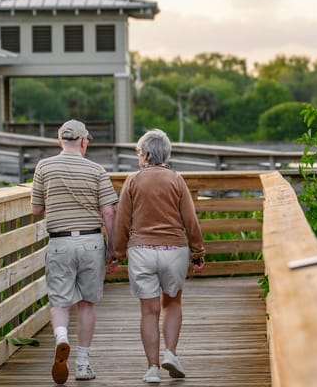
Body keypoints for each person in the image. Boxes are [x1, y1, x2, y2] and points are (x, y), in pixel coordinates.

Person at [113, 129, 206, 384]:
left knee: (149, 311)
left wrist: (117, 253)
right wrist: (198, 251)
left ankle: (153, 368)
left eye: (138, 153)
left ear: (145, 155)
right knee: (172, 303)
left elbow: (122, 221)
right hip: (174, 250)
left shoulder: (132, 181)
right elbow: (190, 219)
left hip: (141, 251)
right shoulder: (176, 179)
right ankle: (171, 354)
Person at [31, 119, 119, 385]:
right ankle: (82, 364)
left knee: (59, 301)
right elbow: (109, 211)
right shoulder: (97, 170)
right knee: (86, 303)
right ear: (83, 142)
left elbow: (36, 209)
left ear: (60, 141)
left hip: (60, 242)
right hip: (91, 242)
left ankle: (61, 338)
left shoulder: (44, 167)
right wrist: (113, 248)